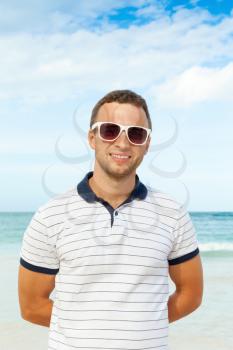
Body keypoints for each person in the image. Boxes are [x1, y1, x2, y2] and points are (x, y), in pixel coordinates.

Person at [18, 89, 203, 350]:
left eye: (136, 134)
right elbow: (31, 306)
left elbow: (191, 295)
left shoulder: (173, 213)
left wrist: (144, 324)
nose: (123, 143)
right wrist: (91, 331)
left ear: (147, 144)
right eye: (110, 130)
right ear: (92, 138)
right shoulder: (50, 216)